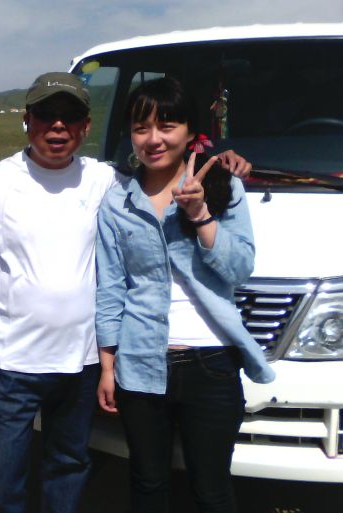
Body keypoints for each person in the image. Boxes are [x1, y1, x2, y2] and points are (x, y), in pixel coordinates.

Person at [0, 71, 251, 513]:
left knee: (69, 466)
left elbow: (163, 168)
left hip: (81, 362)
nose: (58, 125)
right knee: (5, 477)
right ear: (27, 120)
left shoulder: (105, 180)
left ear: (86, 126)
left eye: (70, 115)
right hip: (14, 363)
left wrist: (219, 161)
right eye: (46, 115)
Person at [95, 76, 276, 513]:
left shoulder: (224, 187)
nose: (153, 139)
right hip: (140, 363)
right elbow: (110, 289)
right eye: (141, 128)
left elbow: (240, 268)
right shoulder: (117, 203)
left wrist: (200, 214)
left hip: (211, 364)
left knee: (211, 489)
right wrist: (108, 367)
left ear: (190, 131)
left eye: (167, 125)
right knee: (147, 482)